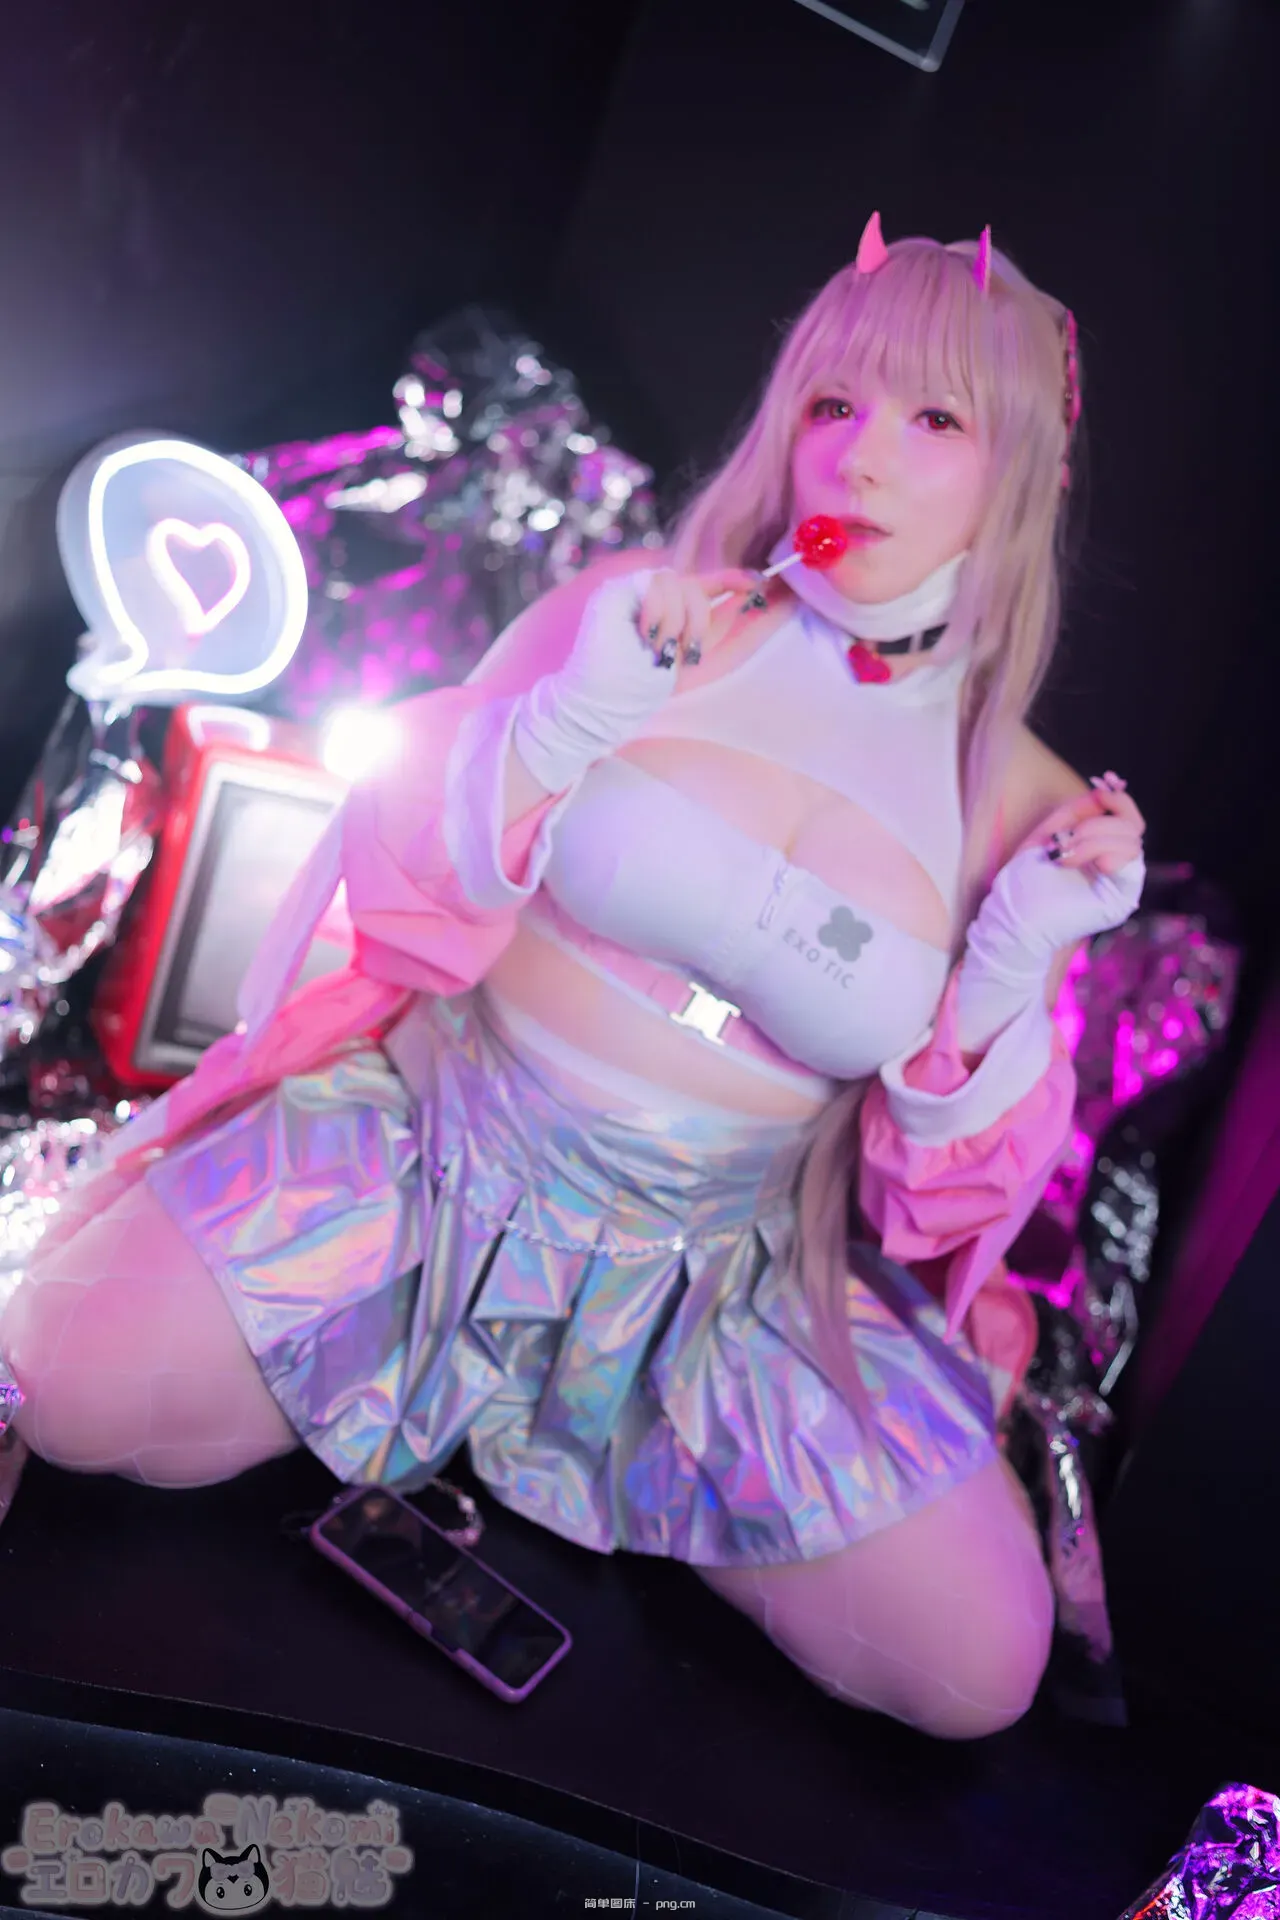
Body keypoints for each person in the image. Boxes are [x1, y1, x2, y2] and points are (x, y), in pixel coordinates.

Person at [0, 218, 1145, 1739]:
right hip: (433, 1156)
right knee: (60, 1376)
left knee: (981, 1668)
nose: (860, 458)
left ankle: (594, 1448)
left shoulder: (1031, 810)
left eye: (935, 419)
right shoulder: (643, 610)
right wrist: (558, 726)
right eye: (833, 403)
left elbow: (929, 1206)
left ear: (1027, 471)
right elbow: (404, 893)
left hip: (714, 1285)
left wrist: (1009, 970)